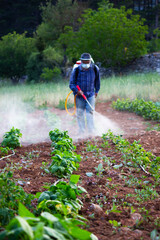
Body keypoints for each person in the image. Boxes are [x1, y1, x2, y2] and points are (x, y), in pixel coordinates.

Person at [69, 53, 100, 135]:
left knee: (90, 112)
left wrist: (96, 91)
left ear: (90, 61)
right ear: (81, 61)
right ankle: (82, 131)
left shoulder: (94, 69)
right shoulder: (76, 70)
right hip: (79, 97)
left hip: (90, 95)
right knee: (80, 113)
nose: (86, 63)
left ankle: (91, 131)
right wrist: (77, 91)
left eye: (87, 61)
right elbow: (71, 84)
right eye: (84, 61)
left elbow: (97, 81)